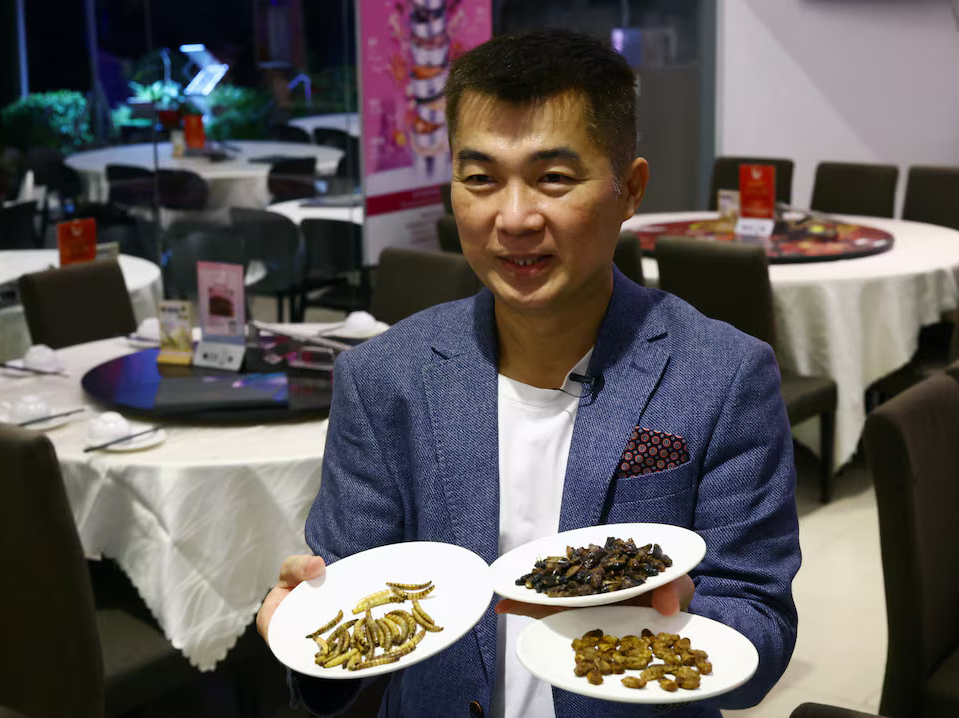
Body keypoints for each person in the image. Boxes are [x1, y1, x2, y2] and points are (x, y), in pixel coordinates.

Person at [257, 29, 801, 718]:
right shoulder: (383, 378)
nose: (512, 219)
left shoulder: (722, 376)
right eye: (480, 179)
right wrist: (300, 624)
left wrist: (674, 613)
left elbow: (761, 627)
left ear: (628, 189)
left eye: (553, 178)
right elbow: (351, 626)